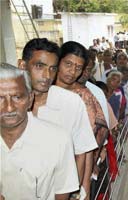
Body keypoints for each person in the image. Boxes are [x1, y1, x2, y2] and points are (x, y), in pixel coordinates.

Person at [17, 38, 98, 198]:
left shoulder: (72, 103)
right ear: (22, 65)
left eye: (52, 68)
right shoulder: (9, 105)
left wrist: (80, 190)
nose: (47, 75)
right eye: (39, 66)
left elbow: (81, 152)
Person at [0, 63, 79, 199]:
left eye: (17, 97)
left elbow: (62, 192)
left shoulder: (58, 139)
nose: (9, 108)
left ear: (30, 99)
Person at [55, 41, 108, 199]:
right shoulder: (42, 91)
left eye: (78, 67)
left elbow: (87, 146)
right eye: (68, 64)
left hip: (73, 169)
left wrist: (84, 187)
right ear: (58, 61)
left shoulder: (83, 95)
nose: (72, 72)